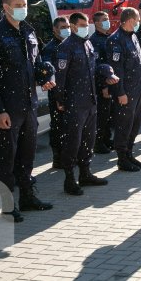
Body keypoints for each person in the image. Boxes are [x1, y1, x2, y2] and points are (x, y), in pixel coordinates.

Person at [0, 0, 54, 223]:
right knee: (6, 159)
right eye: (18, 4)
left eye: (24, 3)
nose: (23, 7)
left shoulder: (29, 31)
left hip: (29, 104)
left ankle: (28, 196)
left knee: (27, 154)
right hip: (8, 107)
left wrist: (45, 77)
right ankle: (7, 204)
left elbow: (37, 63)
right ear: (6, 7)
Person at [54, 13, 111, 195]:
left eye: (86, 24)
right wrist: (60, 99)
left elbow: (93, 70)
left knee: (88, 140)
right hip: (74, 102)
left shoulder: (87, 43)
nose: (85, 27)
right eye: (81, 24)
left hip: (90, 100)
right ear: (72, 26)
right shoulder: (66, 47)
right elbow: (60, 77)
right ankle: (69, 179)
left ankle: (85, 173)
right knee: (73, 141)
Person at [107, 7, 141, 171]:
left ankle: (129, 154)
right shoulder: (116, 39)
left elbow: (138, 59)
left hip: (137, 89)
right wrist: (120, 92)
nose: (139, 23)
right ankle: (122, 159)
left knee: (135, 125)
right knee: (124, 126)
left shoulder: (133, 36)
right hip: (125, 92)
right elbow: (116, 69)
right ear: (129, 20)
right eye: (137, 20)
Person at [41, 16, 70, 169]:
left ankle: (69, 155)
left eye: (67, 26)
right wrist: (59, 97)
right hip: (57, 94)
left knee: (71, 126)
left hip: (72, 92)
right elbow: (50, 74)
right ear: (55, 29)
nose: (66, 29)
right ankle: (58, 157)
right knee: (58, 126)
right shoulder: (50, 48)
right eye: (62, 27)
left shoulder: (70, 44)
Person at [89, 11, 114, 154]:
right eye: (104, 20)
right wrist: (104, 85)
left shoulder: (109, 37)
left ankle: (107, 138)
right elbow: (97, 66)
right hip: (102, 84)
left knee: (109, 115)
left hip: (112, 82)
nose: (107, 21)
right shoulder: (94, 41)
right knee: (102, 115)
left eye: (108, 19)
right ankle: (98, 142)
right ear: (97, 23)